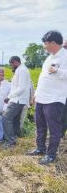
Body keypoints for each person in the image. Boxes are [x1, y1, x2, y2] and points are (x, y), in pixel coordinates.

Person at [26, 30, 67, 165]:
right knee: (40, 125)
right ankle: (40, 148)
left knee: (54, 129)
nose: (44, 46)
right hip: (42, 98)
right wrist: (36, 95)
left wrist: (57, 71)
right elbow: (43, 78)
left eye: (45, 43)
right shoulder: (49, 58)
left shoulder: (65, 56)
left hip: (54, 99)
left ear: (53, 43)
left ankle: (51, 155)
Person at [2, 56, 31, 148]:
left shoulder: (21, 70)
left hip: (18, 99)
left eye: (11, 64)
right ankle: (14, 138)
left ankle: (10, 141)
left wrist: (9, 97)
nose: (11, 66)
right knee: (15, 120)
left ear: (15, 62)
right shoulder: (21, 69)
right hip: (18, 99)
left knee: (6, 118)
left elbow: (21, 88)